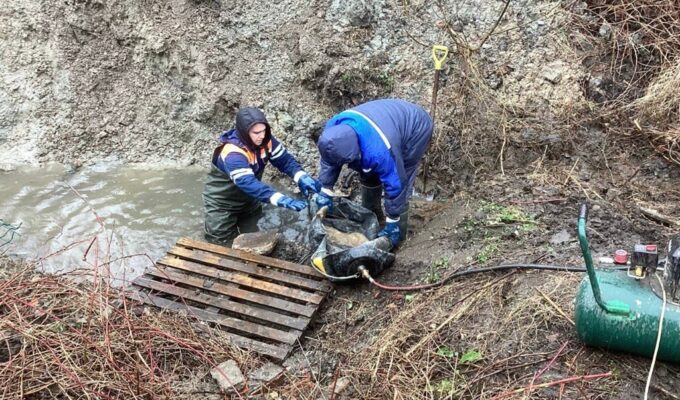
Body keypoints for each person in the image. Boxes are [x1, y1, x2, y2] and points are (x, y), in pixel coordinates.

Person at [315, 99, 433, 247]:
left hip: (416, 127)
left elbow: (396, 183)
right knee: (366, 169)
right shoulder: (331, 133)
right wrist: (325, 189)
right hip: (380, 121)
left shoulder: (379, 151)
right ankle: (372, 212)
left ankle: (399, 234)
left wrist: (393, 220)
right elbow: (329, 160)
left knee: (402, 172)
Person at [203, 107, 321, 245]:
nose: (262, 136)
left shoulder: (266, 141)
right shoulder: (232, 153)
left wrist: (300, 176)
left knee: (252, 233)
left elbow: (285, 161)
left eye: (264, 131)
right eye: (256, 132)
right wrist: (280, 199)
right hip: (222, 204)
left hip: (250, 201)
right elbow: (248, 183)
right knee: (220, 243)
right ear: (244, 132)